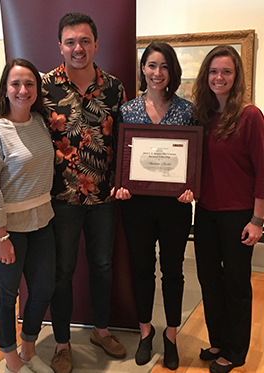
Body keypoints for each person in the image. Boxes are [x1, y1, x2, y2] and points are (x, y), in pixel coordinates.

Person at [42, 12, 127, 373]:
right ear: (59, 45)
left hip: (104, 198)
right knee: (61, 271)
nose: (78, 48)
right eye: (71, 42)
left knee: (103, 266)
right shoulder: (42, 87)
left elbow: (127, 142)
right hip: (60, 199)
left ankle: (101, 330)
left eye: (85, 41)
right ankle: (62, 344)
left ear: (96, 43)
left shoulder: (114, 88)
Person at [117, 42, 194, 370]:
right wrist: (121, 184)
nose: (157, 72)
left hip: (176, 207)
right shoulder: (128, 111)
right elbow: (122, 157)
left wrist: (191, 187)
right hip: (136, 206)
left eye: (163, 66)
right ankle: (146, 332)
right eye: (151, 65)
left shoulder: (188, 111)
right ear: (143, 69)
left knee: (173, 272)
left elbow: (194, 159)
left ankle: (171, 336)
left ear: (172, 71)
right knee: (142, 270)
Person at [0, 59, 56, 373]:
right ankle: (11, 360)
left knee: (44, 288)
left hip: (41, 221)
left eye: (29, 84)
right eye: (16, 84)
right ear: (5, 89)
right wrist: (1, 237)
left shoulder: (38, 121)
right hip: (5, 229)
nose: (23, 90)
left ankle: (28, 347)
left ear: (37, 89)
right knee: (6, 295)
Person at [192, 45, 264, 373]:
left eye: (226, 72)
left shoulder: (250, 116)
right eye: (214, 71)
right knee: (209, 279)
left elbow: (263, 170)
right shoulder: (202, 117)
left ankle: (236, 352)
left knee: (235, 283)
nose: (219, 77)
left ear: (237, 77)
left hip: (238, 214)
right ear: (205, 76)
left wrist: (258, 220)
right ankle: (218, 339)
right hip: (205, 211)